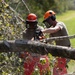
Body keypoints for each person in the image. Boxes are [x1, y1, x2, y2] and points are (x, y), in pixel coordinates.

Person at [42, 10, 71, 75]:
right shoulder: (51, 29)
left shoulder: (60, 24)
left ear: (52, 18)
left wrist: (43, 31)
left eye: (48, 20)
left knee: (57, 70)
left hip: (66, 51)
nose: (48, 23)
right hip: (60, 52)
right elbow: (49, 41)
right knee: (60, 69)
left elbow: (55, 29)